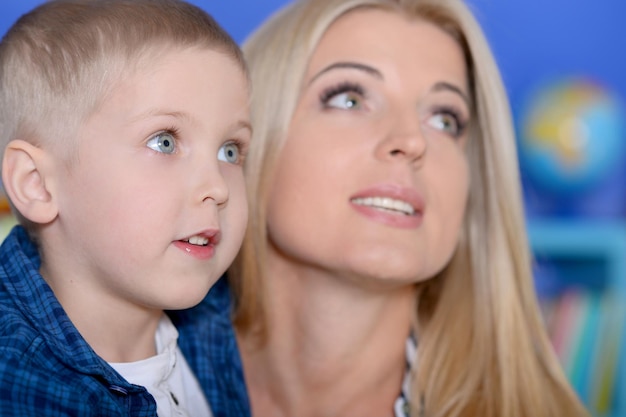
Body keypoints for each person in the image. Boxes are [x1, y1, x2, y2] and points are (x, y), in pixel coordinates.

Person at [229, 0, 590, 416]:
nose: (412, 140)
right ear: (247, 141)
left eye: (444, 119)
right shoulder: (153, 384)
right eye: (349, 98)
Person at [0, 0, 251, 416]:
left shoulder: (211, 318)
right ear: (37, 184)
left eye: (230, 150)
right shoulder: (18, 385)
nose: (217, 187)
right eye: (164, 141)